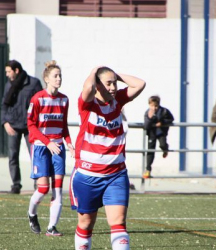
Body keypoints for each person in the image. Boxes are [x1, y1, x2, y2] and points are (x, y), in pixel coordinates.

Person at [70, 66, 145, 250]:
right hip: (88, 176)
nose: (113, 87)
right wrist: (95, 70)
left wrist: (115, 75)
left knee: (118, 223)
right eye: (108, 84)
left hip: (116, 175)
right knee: (86, 224)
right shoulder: (87, 104)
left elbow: (140, 84)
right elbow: (87, 89)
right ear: (97, 85)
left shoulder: (117, 101)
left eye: (115, 84)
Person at [26, 60, 74, 236]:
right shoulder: (37, 99)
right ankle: (32, 214)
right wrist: (48, 142)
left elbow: (64, 126)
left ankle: (51, 228)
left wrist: (68, 142)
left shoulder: (64, 100)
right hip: (41, 147)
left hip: (58, 148)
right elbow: (31, 126)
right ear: (46, 78)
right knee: (43, 189)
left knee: (58, 190)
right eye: (55, 76)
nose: (59, 79)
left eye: (60, 76)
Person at [1, 60, 42, 194]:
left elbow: (42, 103)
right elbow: (4, 105)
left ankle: (38, 183)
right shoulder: (9, 85)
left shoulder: (34, 83)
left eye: (9, 71)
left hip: (30, 127)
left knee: (35, 155)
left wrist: (37, 124)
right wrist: (5, 123)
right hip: (13, 125)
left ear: (16, 70)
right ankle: (16, 184)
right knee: (13, 156)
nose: (7, 74)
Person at [143, 95, 174, 178]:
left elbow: (171, 119)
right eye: (152, 106)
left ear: (159, 104)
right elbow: (146, 126)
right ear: (149, 105)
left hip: (161, 132)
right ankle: (148, 169)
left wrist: (162, 122)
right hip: (152, 134)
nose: (154, 108)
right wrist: (149, 118)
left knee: (162, 144)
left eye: (156, 106)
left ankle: (165, 150)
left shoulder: (164, 111)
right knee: (150, 151)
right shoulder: (147, 112)